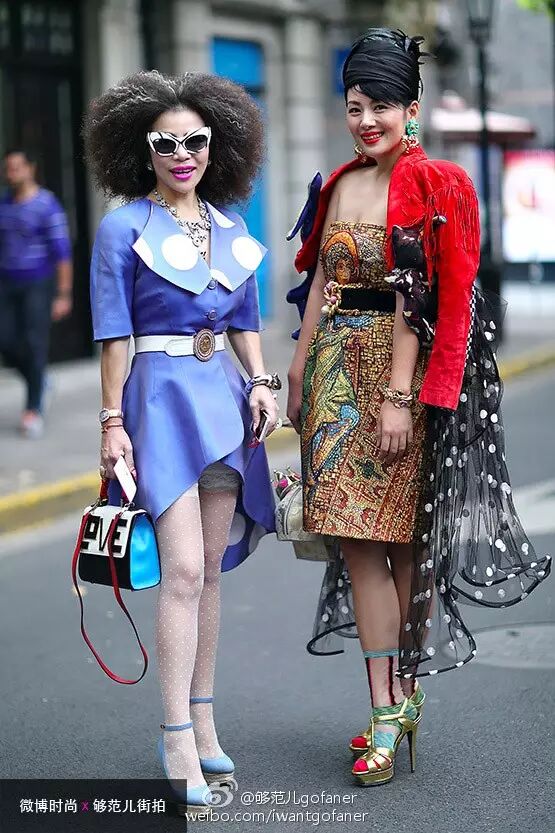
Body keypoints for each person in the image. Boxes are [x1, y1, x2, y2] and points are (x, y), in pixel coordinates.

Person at [286, 28, 551, 787]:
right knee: (355, 541)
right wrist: (299, 370)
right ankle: (387, 703)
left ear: (412, 106)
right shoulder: (337, 185)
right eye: (355, 106)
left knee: (403, 546)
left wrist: (402, 397)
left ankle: (397, 700)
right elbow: (321, 284)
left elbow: (427, 300)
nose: (366, 120)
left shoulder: (439, 183)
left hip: (397, 379)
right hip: (335, 378)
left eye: (381, 106)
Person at [84, 69, 279, 816]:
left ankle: (202, 720)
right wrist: (111, 422)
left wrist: (261, 383)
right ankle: (173, 736)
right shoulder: (122, 229)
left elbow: (245, 322)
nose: (182, 154)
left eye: (195, 140)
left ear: (215, 144)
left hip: (222, 401)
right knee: (185, 570)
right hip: (159, 401)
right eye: (166, 144)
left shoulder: (231, 228)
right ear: (143, 150)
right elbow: (113, 335)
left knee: (213, 572)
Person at [0, 149, 73, 438]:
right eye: (8, 168)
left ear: (31, 169)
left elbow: (62, 252)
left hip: (38, 283)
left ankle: (33, 409)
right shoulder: (4, 204)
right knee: (5, 340)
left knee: (34, 343)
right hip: (7, 282)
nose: (12, 173)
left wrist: (63, 293)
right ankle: (40, 379)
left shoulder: (47, 204)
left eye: (17, 167)